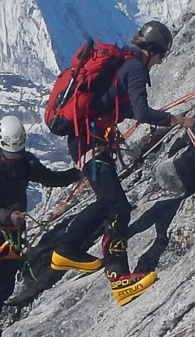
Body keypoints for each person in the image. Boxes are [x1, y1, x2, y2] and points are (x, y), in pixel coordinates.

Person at [50, 20, 174, 305]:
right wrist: (173, 119)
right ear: (154, 51)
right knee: (118, 206)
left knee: (108, 201)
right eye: (161, 56)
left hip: (84, 140)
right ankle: (119, 279)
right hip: (90, 141)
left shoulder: (123, 61)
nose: (159, 62)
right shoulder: (135, 68)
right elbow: (141, 111)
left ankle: (66, 249)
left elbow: (117, 104)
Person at [0, 114, 77, 337]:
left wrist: (77, 174)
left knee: (4, 285)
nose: (13, 159)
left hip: (12, 234)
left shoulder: (25, 163)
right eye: (10, 155)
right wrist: (9, 216)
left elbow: (49, 179)